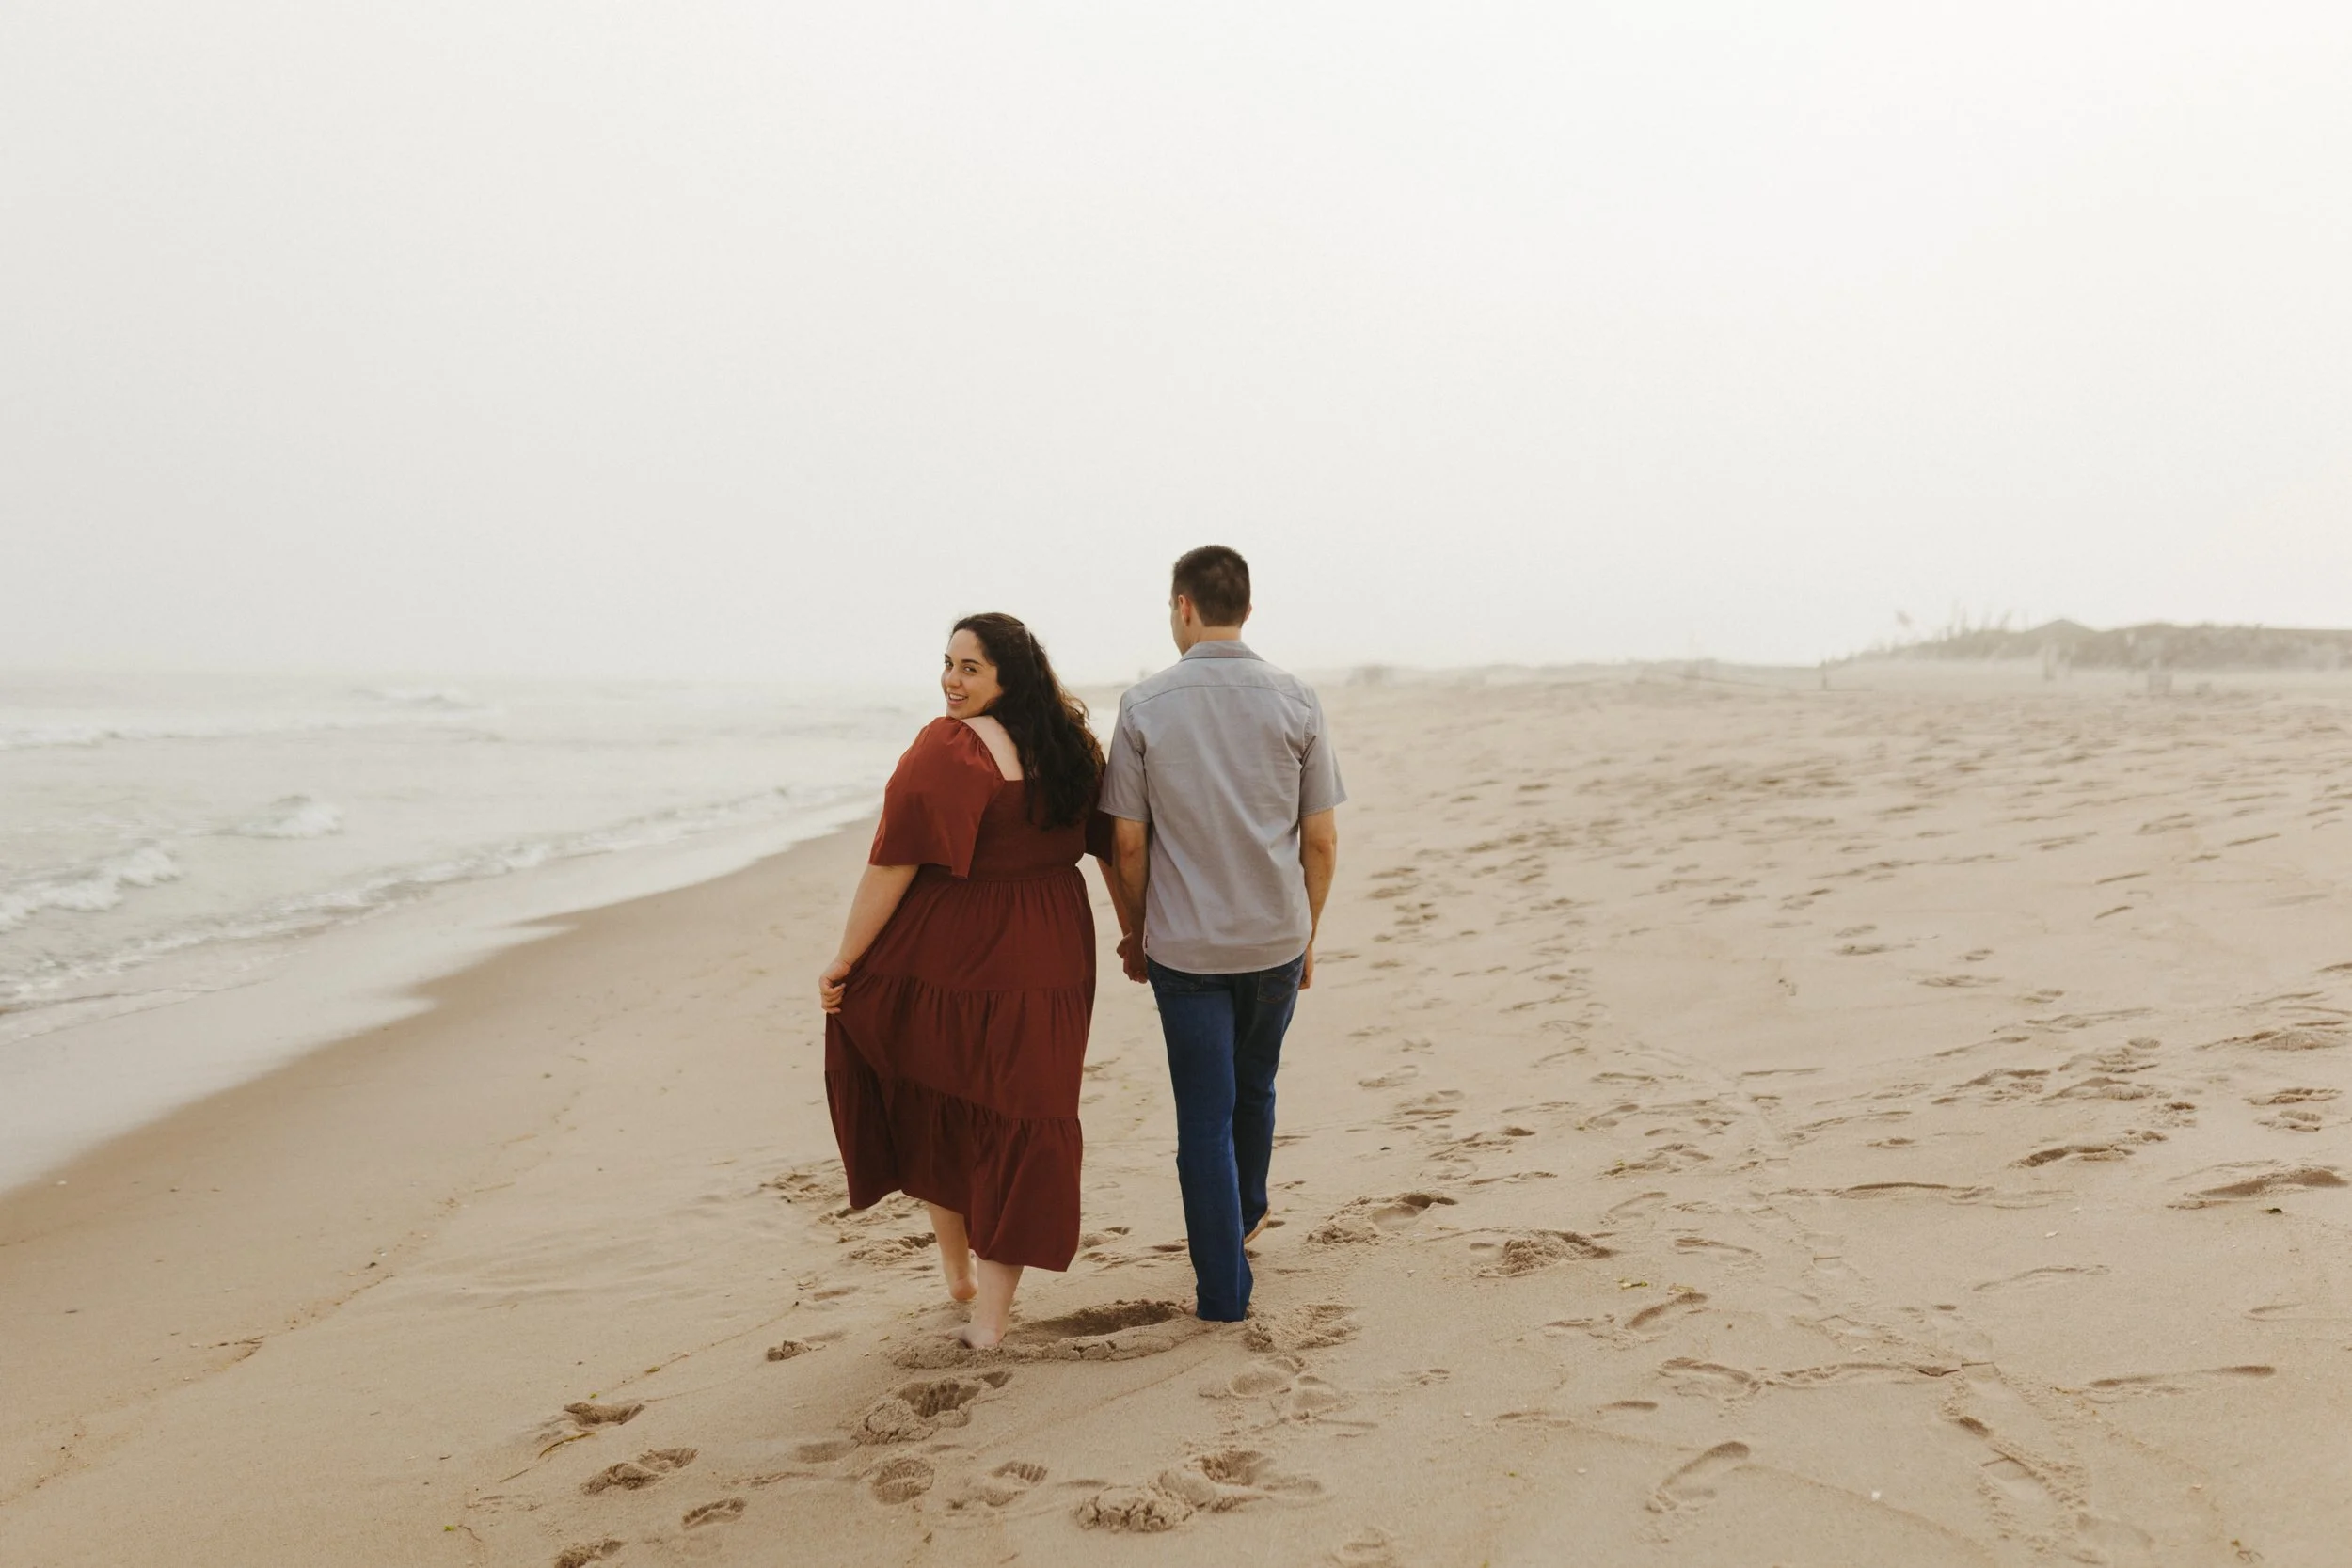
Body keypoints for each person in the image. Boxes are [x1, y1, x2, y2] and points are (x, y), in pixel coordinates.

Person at [819, 613, 1134, 1347]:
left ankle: (972, 1292)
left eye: (970, 668)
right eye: (948, 664)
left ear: (1006, 677)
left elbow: (893, 861)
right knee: (1022, 1112)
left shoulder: (949, 747)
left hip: (958, 949)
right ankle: (978, 1303)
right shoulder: (1072, 749)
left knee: (944, 1095)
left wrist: (845, 959)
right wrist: (1131, 931)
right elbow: (1112, 852)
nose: (951, 681)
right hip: (1052, 945)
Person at [1101, 546, 1343, 1322]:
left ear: (1182, 607)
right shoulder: (1297, 698)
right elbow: (1322, 839)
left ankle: (1222, 1291)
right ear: (1246, 608)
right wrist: (1308, 930)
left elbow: (1128, 842)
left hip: (1187, 947)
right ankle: (1244, 1213)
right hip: (1275, 935)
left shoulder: (1143, 706)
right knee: (1257, 1083)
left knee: (1202, 1116)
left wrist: (1137, 929)